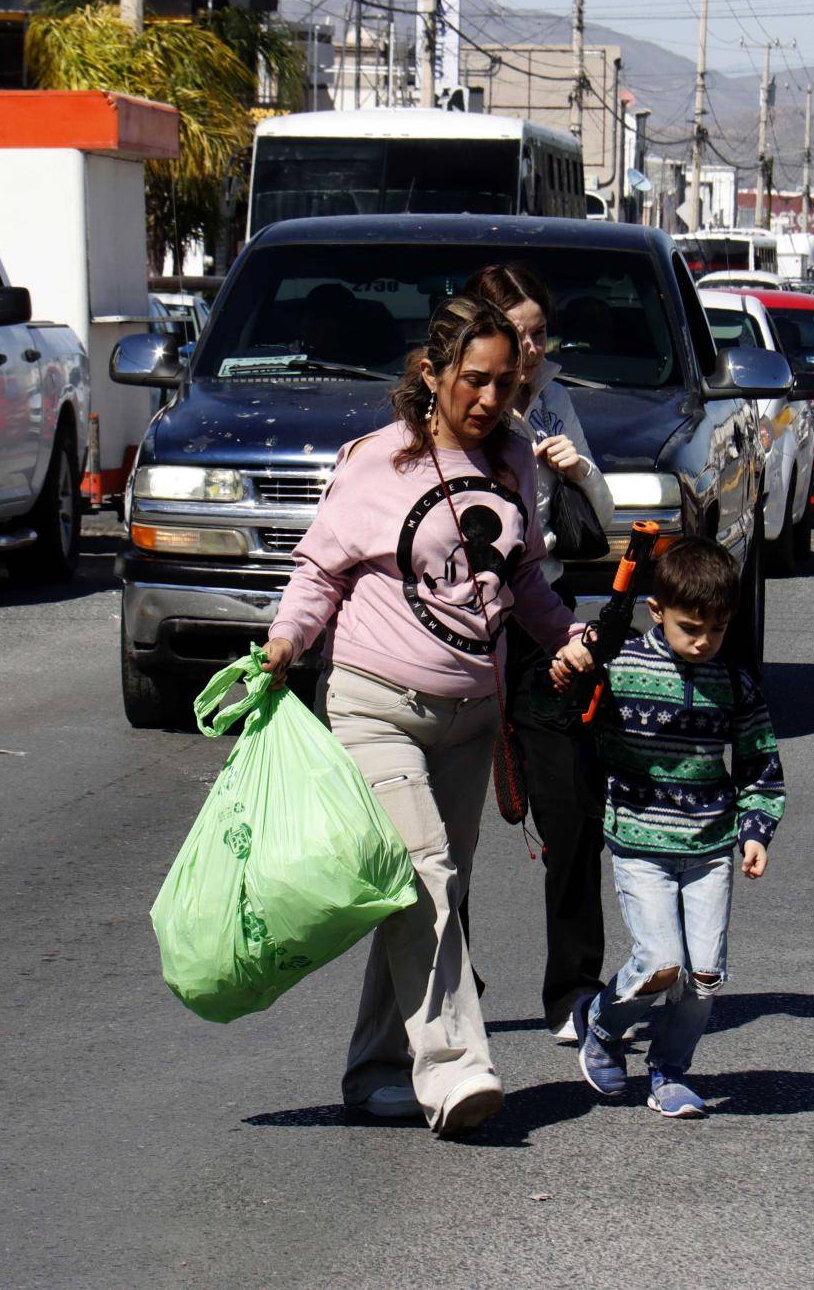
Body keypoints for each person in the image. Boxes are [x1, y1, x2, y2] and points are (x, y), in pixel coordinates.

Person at [261, 296, 589, 1138]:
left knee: (413, 892)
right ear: (432, 374)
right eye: (473, 380)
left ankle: (376, 1071)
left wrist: (568, 637)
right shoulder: (379, 462)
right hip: (375, 704)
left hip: (471, 716)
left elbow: (521, 586)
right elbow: (318, 570)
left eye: (504, 383)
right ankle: (455, 1071)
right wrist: (287, 637)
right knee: (427, 880)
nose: (488, 399)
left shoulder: (514, 458)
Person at [551, 537, 786, 1119]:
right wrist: (575, 659)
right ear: (656, 610)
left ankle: (670, 1070)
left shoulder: (733, 683)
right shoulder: (621, 664)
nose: (703, 641)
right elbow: (569, 705)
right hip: (640, 844)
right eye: (690, 627)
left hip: (710, 848)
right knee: (660, 964)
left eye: (717, 628)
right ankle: (601, 1027)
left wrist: (756, 830)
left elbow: (760, 762)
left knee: (704, 976)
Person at [460, 263, 617, 1046]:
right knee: (445, 827)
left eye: (537, 333)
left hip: (545, 619)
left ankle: (575, 987)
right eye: (513, 333)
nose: (527, 349)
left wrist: (576, 471)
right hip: (459, 628)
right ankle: (450, 976)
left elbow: (605, 510)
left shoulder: (552, 400)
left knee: (572, 808)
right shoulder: (461, 408)